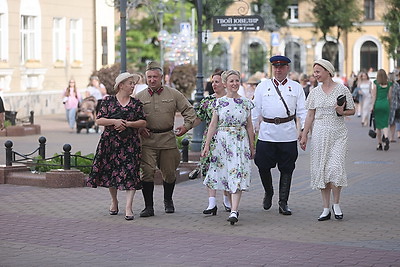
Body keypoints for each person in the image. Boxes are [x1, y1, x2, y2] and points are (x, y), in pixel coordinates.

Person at [136, 61, 197, 217]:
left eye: (155, 77)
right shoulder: (139, 97)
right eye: (149, 77)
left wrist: (186, 126)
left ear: (161, 77)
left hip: (168, 139)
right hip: (148, 141)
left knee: (169, 174)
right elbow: (132, 118)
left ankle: (168, 200)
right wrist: (140, 128)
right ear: (145, 78)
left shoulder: (173, 94)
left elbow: (189, 111)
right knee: (147, 172)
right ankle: (148, 206)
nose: (152, 80)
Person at [299, 59, 355, 221]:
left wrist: (341, 111)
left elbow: (352, 110)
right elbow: (310, 115)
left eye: (318, 71)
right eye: (314, 71)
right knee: (322, 169)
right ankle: (325, 208)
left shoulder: (342, 89)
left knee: (335, 168)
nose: (315, 74)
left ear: (328, 71)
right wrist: (304, 135)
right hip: (320, 132)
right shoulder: (314, 92)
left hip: (338, 132)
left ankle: (336, 204)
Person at [87, 72, 146, 221]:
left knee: (131, 173)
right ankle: (114, 200)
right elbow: (99, 120)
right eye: (130, 83)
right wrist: (115, 121)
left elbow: (143, 122)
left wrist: (129, 124)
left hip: (130, 144)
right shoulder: (108, 101)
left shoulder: (136, 103)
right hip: (110, 143)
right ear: (121, 85)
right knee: (111, 173)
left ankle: (129, 207)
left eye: (134, 83)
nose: (133, 86)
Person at [252, 55, 307, 216]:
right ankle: (268, 192)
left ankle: (283, 202)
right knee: (262, 165)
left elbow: (302, 111)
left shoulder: (296, 87)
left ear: (287, 68)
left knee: (287, 168)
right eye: (275, 67)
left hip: (287, 134)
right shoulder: (263, 87)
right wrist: (252, 132)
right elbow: (255, 111)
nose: (278, 70)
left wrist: (303, 131)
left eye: (281, 67)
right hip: (267, 132)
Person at [201, 70, 255, 225]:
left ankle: (234, 210)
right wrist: (206, 146)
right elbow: (213, 125)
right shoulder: (219, 102)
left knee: (237, 174)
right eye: (231, 81)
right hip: (222, 142)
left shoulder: (246, 102)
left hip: (239, 141)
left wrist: (252, 146)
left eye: (237, 81)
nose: (234, 84)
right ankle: (222, 203)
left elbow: (250, 126)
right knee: (225, 174)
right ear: (225, 83)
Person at [193, 70, 231, 215]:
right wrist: (185, 127)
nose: (214, 84)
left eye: (217, 81)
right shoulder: (207, 101)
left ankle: (227, 199)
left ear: (225, 83)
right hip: (210, 139)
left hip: (227, 140)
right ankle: (211, 202)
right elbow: (198, 118)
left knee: (227, 170)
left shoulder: (231, 100)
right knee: (209, 169)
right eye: (213, 82)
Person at [371, 69, 393, 151]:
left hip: (378, 104)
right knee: (385, 124)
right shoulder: (389, 84)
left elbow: (374, 95)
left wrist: (372, 106)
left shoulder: (376, 83)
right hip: (385, 104)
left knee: (378, 126)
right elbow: (390, 96)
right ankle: (386, 137)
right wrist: (389, 105)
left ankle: (379, 144)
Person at [388, 69, 400, 142]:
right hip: (395, 106)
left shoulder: (385, 85)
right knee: (393, 122)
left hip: (386, 105)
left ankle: (386, 135)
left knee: (387, 121)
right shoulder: (396, 85)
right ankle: (391, 137)